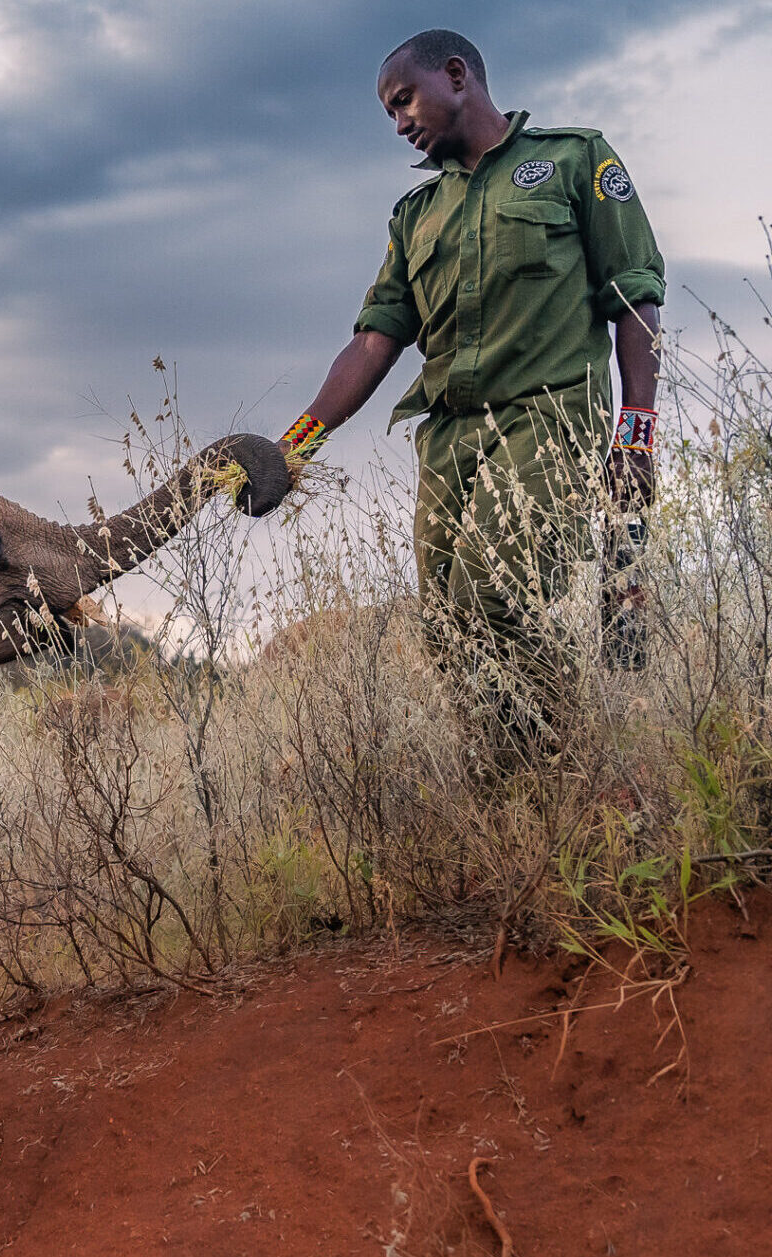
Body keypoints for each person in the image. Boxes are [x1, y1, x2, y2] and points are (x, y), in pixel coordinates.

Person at [281, 28, 665, 767]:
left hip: (548, 417)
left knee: (496, 594)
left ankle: (583, 761)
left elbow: (635, 299)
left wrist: (637, 432)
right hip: (450, 438)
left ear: (457, 75)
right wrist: (291, 446)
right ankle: (511, 788)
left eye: (404, 100)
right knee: (448, 630)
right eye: (389, 113)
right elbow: (372, 343)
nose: (399, 124)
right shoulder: (414, 216)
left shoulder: (574, 159)